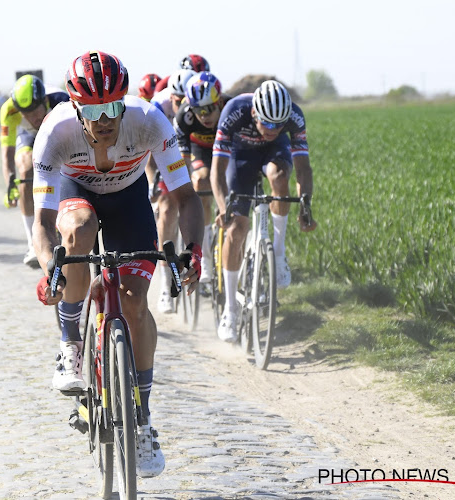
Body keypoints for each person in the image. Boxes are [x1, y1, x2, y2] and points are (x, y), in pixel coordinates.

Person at [31, 50, 204, 478]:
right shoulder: (56, 130)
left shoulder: (149, 122)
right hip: (78, 196)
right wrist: (48, 270)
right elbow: (43, 220)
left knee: (133, 304)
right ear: (76, 108)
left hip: (130, 201)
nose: (105, 119)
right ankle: (71, 345)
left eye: (113, 107)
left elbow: (185, 197)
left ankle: (141, 419)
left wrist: (192, 253)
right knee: (80, 228)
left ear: (124, 103)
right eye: (94, 110)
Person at [210, 80, 317, 342]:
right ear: (255, 113)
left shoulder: (293, 116)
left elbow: (303, 169)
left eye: (278, 125)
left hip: (274, 153)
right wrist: (225, 209)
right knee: (237, 228)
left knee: (280, 178)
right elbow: (217, 172)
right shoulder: (234, 110)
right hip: (240, 157)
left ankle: (278, 254)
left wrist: (306, 205)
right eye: (267, 123)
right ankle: (231, 311)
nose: (272, 129)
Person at [153, 72, 231, 313]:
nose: (205, 116)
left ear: (219, 101)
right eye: (199, 111)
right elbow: (179, 165)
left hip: (226, 149)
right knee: (193, 186)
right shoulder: (184, 117)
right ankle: (168, 285)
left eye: (209, 109)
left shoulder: (230, 108)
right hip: (198, 151)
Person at [0, 74, 69, 267]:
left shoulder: (61, 102)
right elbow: (7, 154)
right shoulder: (8, 110)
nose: (32, 117)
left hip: (56, 132)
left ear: (44, 101)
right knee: (26, 167)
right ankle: (33, 242)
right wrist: (10, 185)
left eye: (35, 110)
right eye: (26, 113)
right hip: (27, 137)